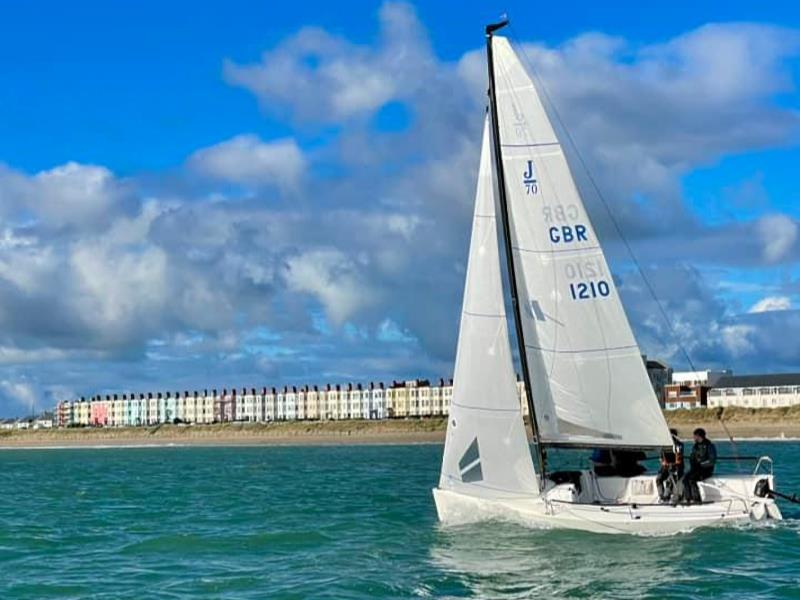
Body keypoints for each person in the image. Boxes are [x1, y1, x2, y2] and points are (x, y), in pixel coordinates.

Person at [681, 428, 717, 504]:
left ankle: (697, 499)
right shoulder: (695, 446)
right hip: (696, 469)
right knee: (685, 479)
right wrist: (693, 465)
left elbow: (712, 461)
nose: (693, 438)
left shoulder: (709, 446)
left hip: (706, 470)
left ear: (699, 436)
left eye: (695, 436)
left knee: (692, 479)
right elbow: (692, 457)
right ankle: (688, 498)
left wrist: (701, 465)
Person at [656, 429, 684, 502]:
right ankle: (661, 496)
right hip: (666, 467)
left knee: (669, 479)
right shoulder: (664, 445)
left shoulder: (679, 445)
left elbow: (679, 458)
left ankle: (666, 496)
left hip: (676, 468)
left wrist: (673, 464)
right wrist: (663, 462)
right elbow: (661, 457)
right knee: (659, 479)